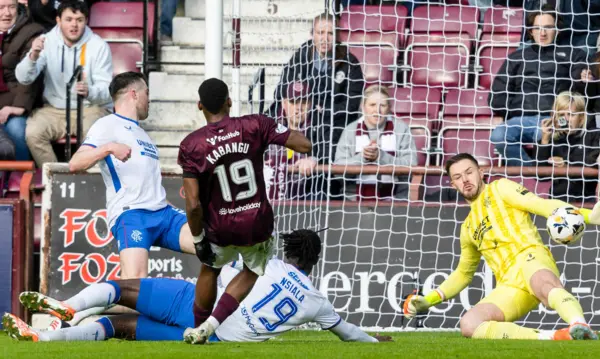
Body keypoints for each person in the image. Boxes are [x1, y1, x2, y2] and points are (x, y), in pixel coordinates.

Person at [4, 230, 390, 343]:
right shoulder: (317, 301)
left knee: (118, 288)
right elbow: (348, 333)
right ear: (314, 262)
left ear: (287, 249)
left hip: (195, 304)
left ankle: (68, 307)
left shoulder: (265, 263)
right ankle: (44, 342)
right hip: (220, 340)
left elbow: (228, 272)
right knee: (114, 329)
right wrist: (376, 342)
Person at [403, 153, 600, 340]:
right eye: (458, 177)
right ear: (452, 184)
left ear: (481, 172)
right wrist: (429, 300)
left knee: (544, 285)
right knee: (469, 324)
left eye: (469, 172)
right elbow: (463, 274)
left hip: (531, 257)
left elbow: (541, 204)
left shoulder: (500, 188)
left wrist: (588, 216)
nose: (466, 180)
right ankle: (553, 336)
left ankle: (580, 324)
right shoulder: (468, 228)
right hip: (509, 285)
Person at [177, 78, 312, 345]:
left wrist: (198, 238)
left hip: (219, 226)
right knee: (252, 269)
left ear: (199, 105)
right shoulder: (255, 124)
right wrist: (276, 130)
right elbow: (304, 145)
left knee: (209, 268)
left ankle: (199, 327)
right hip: (256, 223)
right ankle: (212, 324)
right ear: (229, 101)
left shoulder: (191, 144)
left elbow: (193, 204)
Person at [68, 72, 195, 281]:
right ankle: (78, 308)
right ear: (134, 94)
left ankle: (224, 308)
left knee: (210, 247)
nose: (149, 99)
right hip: (132, 214)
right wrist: (109, 148)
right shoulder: (107, 124)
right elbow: (75, 163)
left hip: (162, 213)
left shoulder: (142, 134)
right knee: (135, 285)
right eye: (147, 93)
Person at [15, 0, 112, 167]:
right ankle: (55, 176)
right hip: (54, 109)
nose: (74, 25)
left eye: (79, 20)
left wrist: (90, 91)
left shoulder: (99, 45)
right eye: (68, 19)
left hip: (91, 108)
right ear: (58, 20)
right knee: (33, 132)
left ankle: (85, 180)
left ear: (86, 21)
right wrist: (33, 56)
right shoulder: (46, 41)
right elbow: (24, 78)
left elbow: (108, 90)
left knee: (95, 135)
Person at [489, 5, 587, 167]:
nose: (542, 33)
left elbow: (580, 88)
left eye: (548, 28)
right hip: (521, 119)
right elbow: (497, 95)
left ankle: (547, 173)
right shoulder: (516, 58)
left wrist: (582, 79)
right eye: (538, 28)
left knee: (553, 135)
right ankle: (530, 172)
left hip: (557, 118)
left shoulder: (574, 54)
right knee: (499, 135)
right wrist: (510, 111)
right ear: (530, 31)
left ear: (557, 30)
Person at [269, 12, 364, 163]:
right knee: (272, 115)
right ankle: (275, 163)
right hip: (303, 115)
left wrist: (325, 110)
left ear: (338, 36)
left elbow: (352, 104)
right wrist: (306, 106)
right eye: (320, 33)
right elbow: (281, 90)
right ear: (312, 34)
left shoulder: (350, 63)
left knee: (331, 131)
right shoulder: (301, 56)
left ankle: (325, 173)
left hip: (332, 120)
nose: (325, 39)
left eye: (330, 33)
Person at [334, 85, 417, 201]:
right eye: (372, 105)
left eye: (382, 105)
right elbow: (337, 172)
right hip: (353, 202)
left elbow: (412, 166)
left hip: (396, 202)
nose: (377, 110)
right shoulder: (350, 130)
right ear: (363, 107)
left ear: (389, 108)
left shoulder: (401, 128)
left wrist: (381, 157)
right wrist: (362, 158)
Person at [535, 92, 600, 203]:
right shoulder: (554, 139)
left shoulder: (594, 135)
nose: (566, 120)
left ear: (581, 117)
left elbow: (593, 171)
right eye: (562, 115)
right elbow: (540, 176)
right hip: (557, 201)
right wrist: (544, 141)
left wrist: (566, 168)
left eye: (571, 115)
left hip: (584, 200)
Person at [265, 81, 326, 200]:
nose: (299, 108)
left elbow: (328, 150)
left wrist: (314, 159)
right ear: (283, 103)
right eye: (293, 102)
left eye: (304, 102)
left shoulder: (321, 127)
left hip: (308, 195)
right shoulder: (268, 126)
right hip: (270, 192)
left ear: (310, 104)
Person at [0, 0, 44, 161]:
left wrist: (17, 107)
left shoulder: (32, 33)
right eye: (1, 8)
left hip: (16, 104)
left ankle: (19, 180)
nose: (7, 13)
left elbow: (30, 77)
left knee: (16, 129)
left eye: (11, 7)